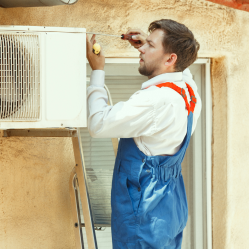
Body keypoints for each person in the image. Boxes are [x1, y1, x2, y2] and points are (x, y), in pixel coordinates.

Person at [85, 19, 202, 249]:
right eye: (143, 44)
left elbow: (98, 124)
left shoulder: (154, 99)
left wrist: (97, 70)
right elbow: (182, 67)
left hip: (145, 210)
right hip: (172, 206)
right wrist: (148, 44)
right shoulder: (188, 90)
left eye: (149, 45)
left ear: (170, 59)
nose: (141, 49)